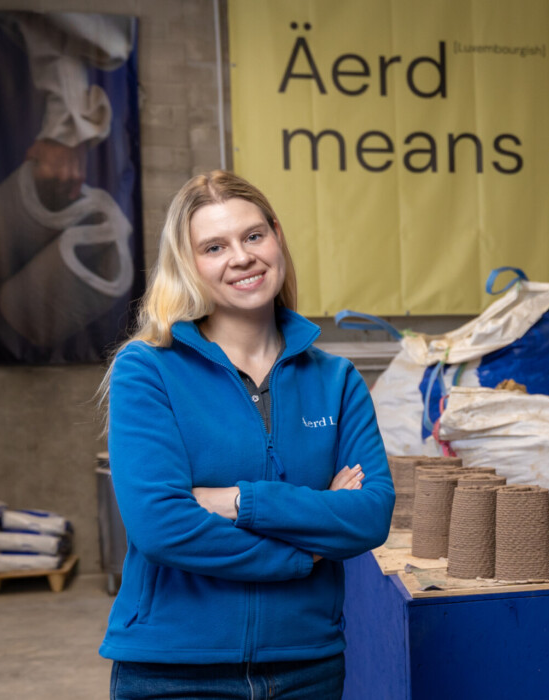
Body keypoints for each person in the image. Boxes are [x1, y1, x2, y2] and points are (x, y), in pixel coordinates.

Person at [98, 170, 394, 699]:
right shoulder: (147, 370)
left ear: (277, 236)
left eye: (253, 236)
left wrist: (238, 501)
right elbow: (160, 526)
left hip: (308, 665)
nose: (241, 257)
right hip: (173, 669)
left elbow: (370, 515)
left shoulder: (336, 380)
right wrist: (305, 553)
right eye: (214, 246)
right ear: (189, 265)